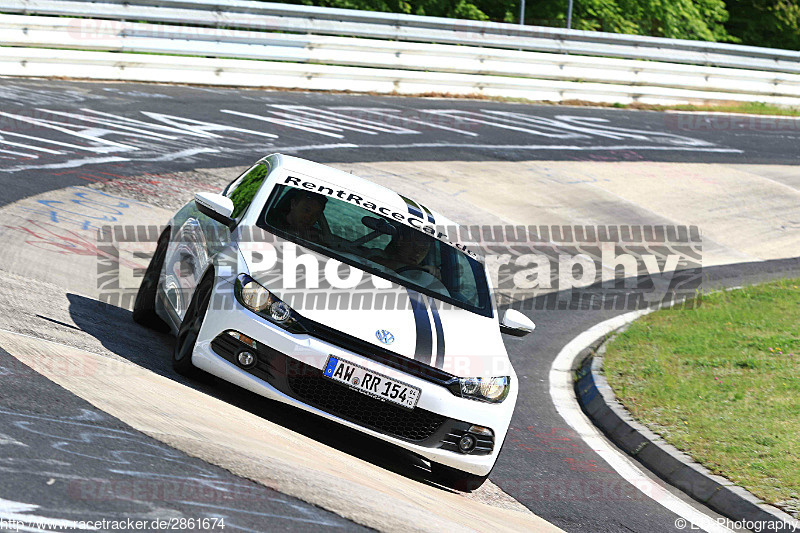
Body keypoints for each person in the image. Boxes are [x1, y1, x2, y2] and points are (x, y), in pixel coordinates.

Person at [374, 224, 440, 279]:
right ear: (400, 242)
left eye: (423, 250)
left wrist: (434, 274)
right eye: (414, 247)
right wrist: (420, 270)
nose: (417, 253)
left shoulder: (424, 276)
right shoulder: (377, 254)